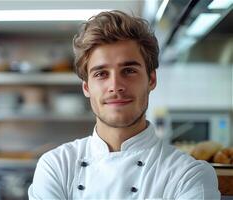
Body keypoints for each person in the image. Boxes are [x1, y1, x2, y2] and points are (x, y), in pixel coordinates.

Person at [28, 10, 220, 199]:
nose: (115, 86)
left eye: (128, 71)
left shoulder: (188, 175)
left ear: (151, 79)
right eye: (101, 74)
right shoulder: (57, 166)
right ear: (86, 87)